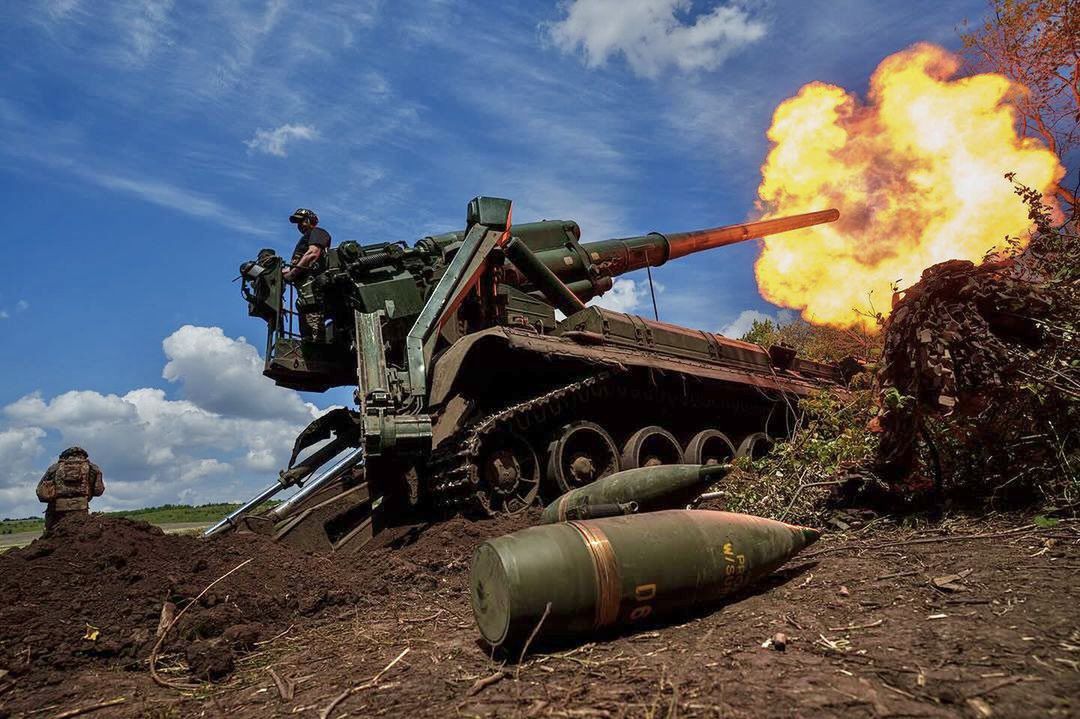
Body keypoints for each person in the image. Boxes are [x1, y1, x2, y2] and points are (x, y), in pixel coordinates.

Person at [283, 208, 332, 341]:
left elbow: (312, 254)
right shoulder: (305, 239)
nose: (300, 225)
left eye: (302, 221)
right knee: (308, 335)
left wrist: (292, 273)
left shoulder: (318, 232)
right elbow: (297, 266)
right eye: (298, 223)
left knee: (317, 336)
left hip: (315, 295)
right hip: (305, 298)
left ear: (311, 220)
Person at [36, 447, 104, 532]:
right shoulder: (93, 468)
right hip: (81, 509)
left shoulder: (54, 468)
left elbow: (40, 491)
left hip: (56, 511)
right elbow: (98, 491)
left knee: (52, 537)